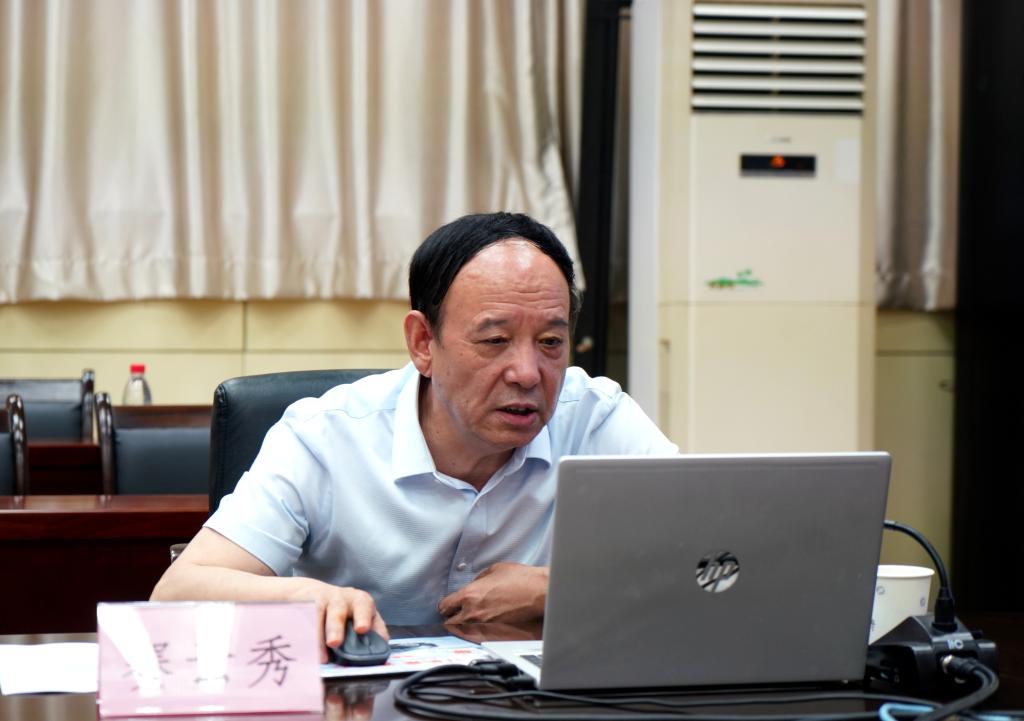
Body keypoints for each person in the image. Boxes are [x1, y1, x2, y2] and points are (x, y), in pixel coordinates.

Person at [151, 212, 677, 658]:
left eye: (550, 342)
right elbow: (176, 595)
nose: (527, 372)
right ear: (423, 342)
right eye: (495, 340)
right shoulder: (325, 437)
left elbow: (706, 564)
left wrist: (554, 590)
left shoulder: (595, 418)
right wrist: (306, 598)